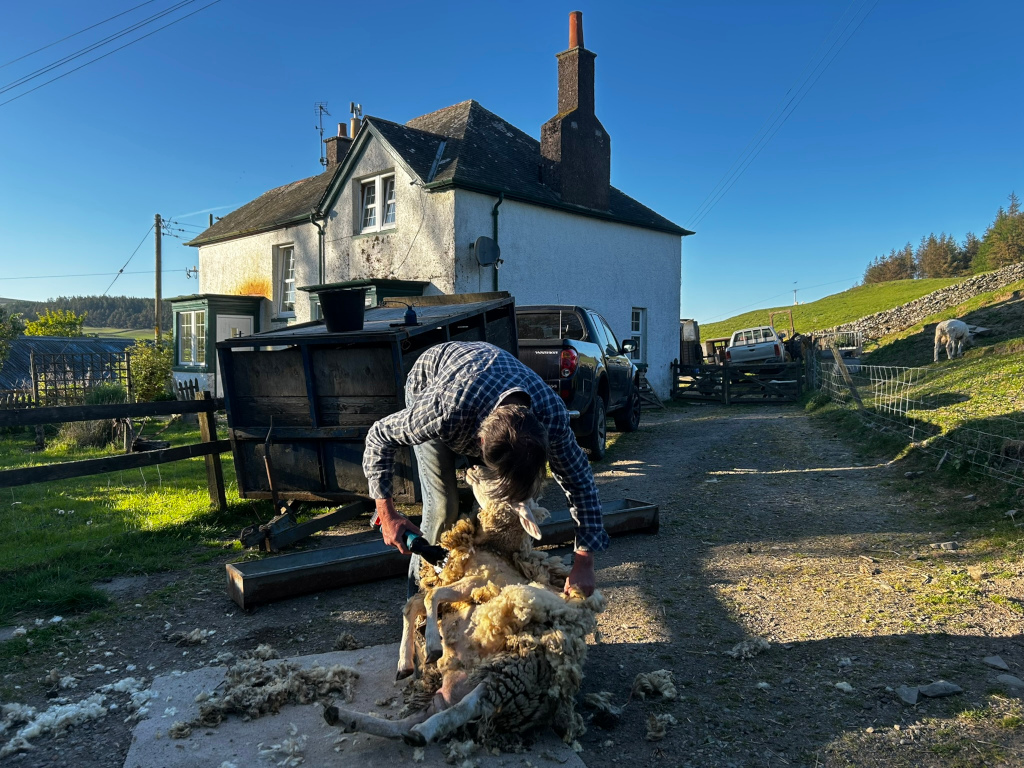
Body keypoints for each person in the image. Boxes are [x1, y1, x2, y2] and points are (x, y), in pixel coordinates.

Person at [362, 341, 608, 596]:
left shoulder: (552, 416)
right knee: (444, 507)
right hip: (433, 380)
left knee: (498, 512)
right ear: (480, 443)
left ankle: (484, 588)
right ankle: (419, 600)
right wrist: (387, 513)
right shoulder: (444, 411)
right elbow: (379, 436)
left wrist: (584, 561)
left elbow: (579, 481)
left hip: (487, 384)